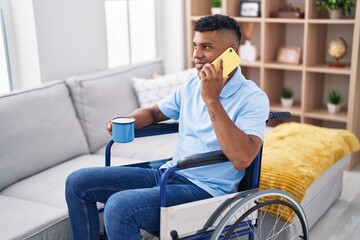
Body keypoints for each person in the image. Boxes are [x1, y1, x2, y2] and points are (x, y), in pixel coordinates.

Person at [65, 14, 269, 240]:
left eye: (206, 47)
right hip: (169, 173)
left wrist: (211, 99)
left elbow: (242, 158)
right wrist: (127, 121)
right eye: (195, 46)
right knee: (78, 182)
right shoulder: (192, 85)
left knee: (120, 208)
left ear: (232, 53)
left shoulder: (252, 98)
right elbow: (154, 112)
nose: (196, 55)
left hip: (206, 191)